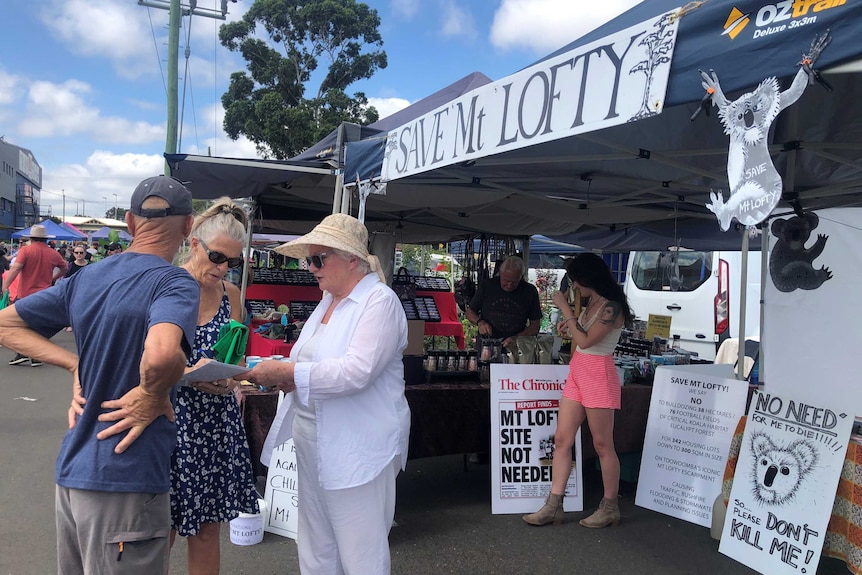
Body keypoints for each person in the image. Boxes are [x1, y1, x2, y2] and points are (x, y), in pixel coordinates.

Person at [0, 175, 200, 574]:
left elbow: (6, 324)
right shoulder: (174, 280)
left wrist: (75, 363)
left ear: (129, 222)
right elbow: (161, 356)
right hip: (127, 474)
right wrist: (151, 394)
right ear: (189, 226)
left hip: (75, 471)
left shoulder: (87, 277)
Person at [238, 213, 410, 575]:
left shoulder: (380, 302)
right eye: (309, 260)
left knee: (361, 548)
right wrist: (287, 376)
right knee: (315, 540)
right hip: (312, 436)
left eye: (318, 259)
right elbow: (313, 363)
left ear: (352, 260)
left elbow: (356, 371)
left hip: (357, 443)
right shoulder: (327, 301)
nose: (311, 268)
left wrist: (290, 373)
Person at [169, 197, 258, 574]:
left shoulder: (232, 296)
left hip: (215, 424)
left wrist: (229, 376)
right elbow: (142, 358)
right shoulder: (169, 287)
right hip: (172, 420)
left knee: (207, 530)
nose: (224, 269)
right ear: (194, 245)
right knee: (159, 530)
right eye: (218, 257)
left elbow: (235, 356)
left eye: (233, 262)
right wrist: (187, 373)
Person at [522, 252, 633, 529]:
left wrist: (568, 313)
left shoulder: (612, 306)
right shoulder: (595, 302)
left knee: (602, 444)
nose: (574, 287)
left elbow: (586, 340)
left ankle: (609, 507)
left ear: (588, 278)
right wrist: (569, 325)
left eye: (576, 281)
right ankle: (553, 504)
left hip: (597, 373)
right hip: (579, 370)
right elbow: (582, 335)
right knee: (561, 439)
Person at [2, 223, 69, 366]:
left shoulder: (26, 250)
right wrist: (53, 278)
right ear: (45, 239)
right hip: (44, 294)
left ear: (31, 238)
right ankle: (36, 356)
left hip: (25, 293)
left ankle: (23, 353)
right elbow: (64, 268)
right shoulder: (52, 253)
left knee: (20, 325)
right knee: (38, 326)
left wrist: (5, 285)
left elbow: (15, 269)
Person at [465, 255, 543, 350]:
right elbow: (470, 312)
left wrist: (517, 338)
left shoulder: (529, 291)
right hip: (487, 345)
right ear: (500, 273)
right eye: (506, 280)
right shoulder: (488, 286)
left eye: (514, 282)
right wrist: (480, 322)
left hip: (516, 348)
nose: (509, 285)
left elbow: (535, 325)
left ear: (521, 277)